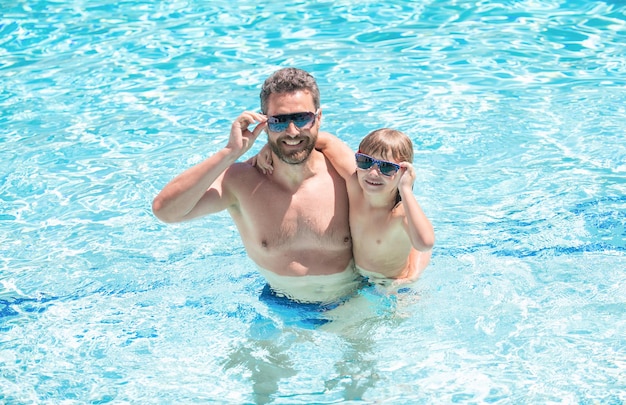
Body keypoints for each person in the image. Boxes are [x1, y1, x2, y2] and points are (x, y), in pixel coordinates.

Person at [152, 67, 362, 303]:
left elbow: (396, 214)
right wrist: (230, 152)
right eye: (279, 121)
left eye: (302, 118)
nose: (292, 132)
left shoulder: (344, 175)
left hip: (351, 301)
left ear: (318, 118)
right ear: (264, 122)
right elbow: (166, 211)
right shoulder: (241, 182)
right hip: (279, 306)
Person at [256, 128, 435, 287]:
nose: (373, 173)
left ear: (403, 172)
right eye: (365, 161)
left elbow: (424, 243)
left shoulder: (400, 212)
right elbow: (327, 141)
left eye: (387, 168)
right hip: (358, 278)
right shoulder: (355, 183)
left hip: (390, 284)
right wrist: (274, 148)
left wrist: (414, 274)